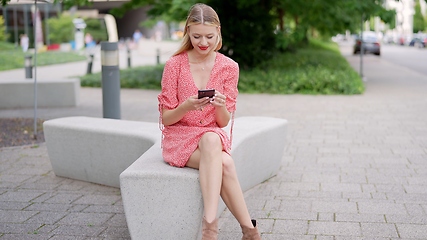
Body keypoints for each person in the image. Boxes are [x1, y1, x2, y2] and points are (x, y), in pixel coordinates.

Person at [157, 3, 261, 240]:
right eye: (196, 36)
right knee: (224, 162)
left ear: (218, 32)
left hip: (211, 137)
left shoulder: (229, 67)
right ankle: (245, 231)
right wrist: (186, 106)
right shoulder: (175, 65)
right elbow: (166, 119)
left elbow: (223, 122)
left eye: (209, 37)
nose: (203, 43)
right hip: (180, 139)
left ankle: (213, 228)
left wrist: (221, 106)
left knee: (213, 140)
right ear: (187, 33)